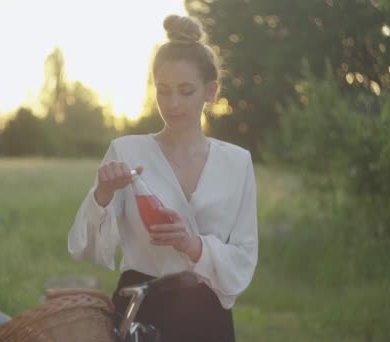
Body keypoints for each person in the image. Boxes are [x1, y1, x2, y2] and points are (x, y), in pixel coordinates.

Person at [67, 14, 258, 342]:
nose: (172, 104)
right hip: (139, 309)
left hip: (206, 317)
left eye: (186, 91)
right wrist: (102, 196)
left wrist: (193, 246)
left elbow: (244, 257)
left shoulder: (237, 163)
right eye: (164, 90)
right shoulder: (126, 152)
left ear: (210, 91)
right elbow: (87, 250)